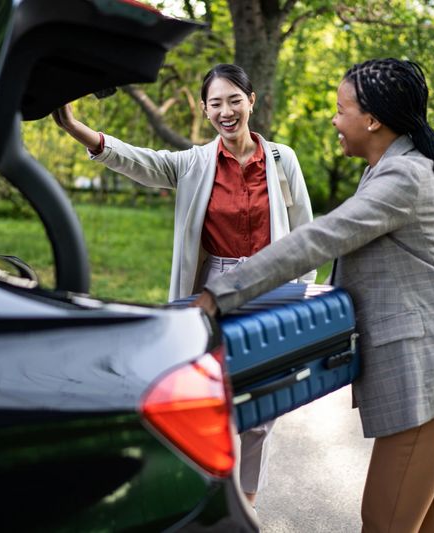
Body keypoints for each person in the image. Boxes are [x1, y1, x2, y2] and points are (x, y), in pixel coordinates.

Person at [193, 58, 434, 532]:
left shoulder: (402, 177)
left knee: (383, 521)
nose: (334, 121)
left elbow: (320, 238)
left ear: (373, 119)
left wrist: (219, 294)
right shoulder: (389, 169)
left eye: (341, 110)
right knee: (432, 522)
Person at [52, 63, 316, 507]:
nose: (226, 111)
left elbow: (306, 233)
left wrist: (298, 295)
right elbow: (138, 161)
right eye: (216, 103)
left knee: (263, 404)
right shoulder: (193, 163)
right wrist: (77, 128)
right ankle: (207, 495)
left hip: (271, 287)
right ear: (205, 109)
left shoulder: (280, 159)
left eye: (235, 100)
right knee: (208, 395)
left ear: (252, 101)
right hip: (213, 291)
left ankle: (244, 503)